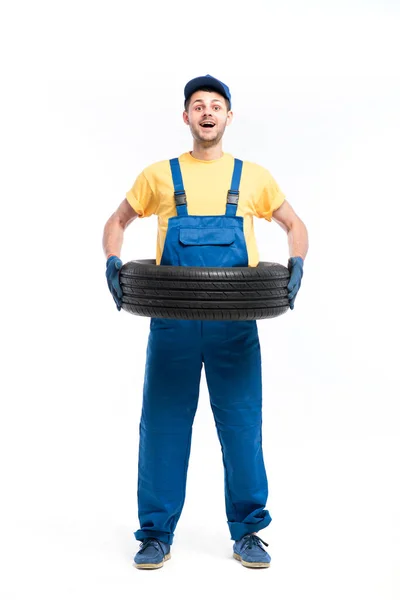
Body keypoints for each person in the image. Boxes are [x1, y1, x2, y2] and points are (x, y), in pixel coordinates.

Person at [103, 75, 309, 570]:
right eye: (198, 106)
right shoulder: (158, 175)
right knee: (164, 428)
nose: (208, 112)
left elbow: (295, 225)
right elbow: (117, 221)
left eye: (216, 105)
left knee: (241, 427)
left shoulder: (254, 177)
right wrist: (114, 260)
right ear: (187, 117)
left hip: (235, 325)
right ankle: (155, 533)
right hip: (171, 322)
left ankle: (249, 532)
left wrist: (296, 261)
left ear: (229, 116)